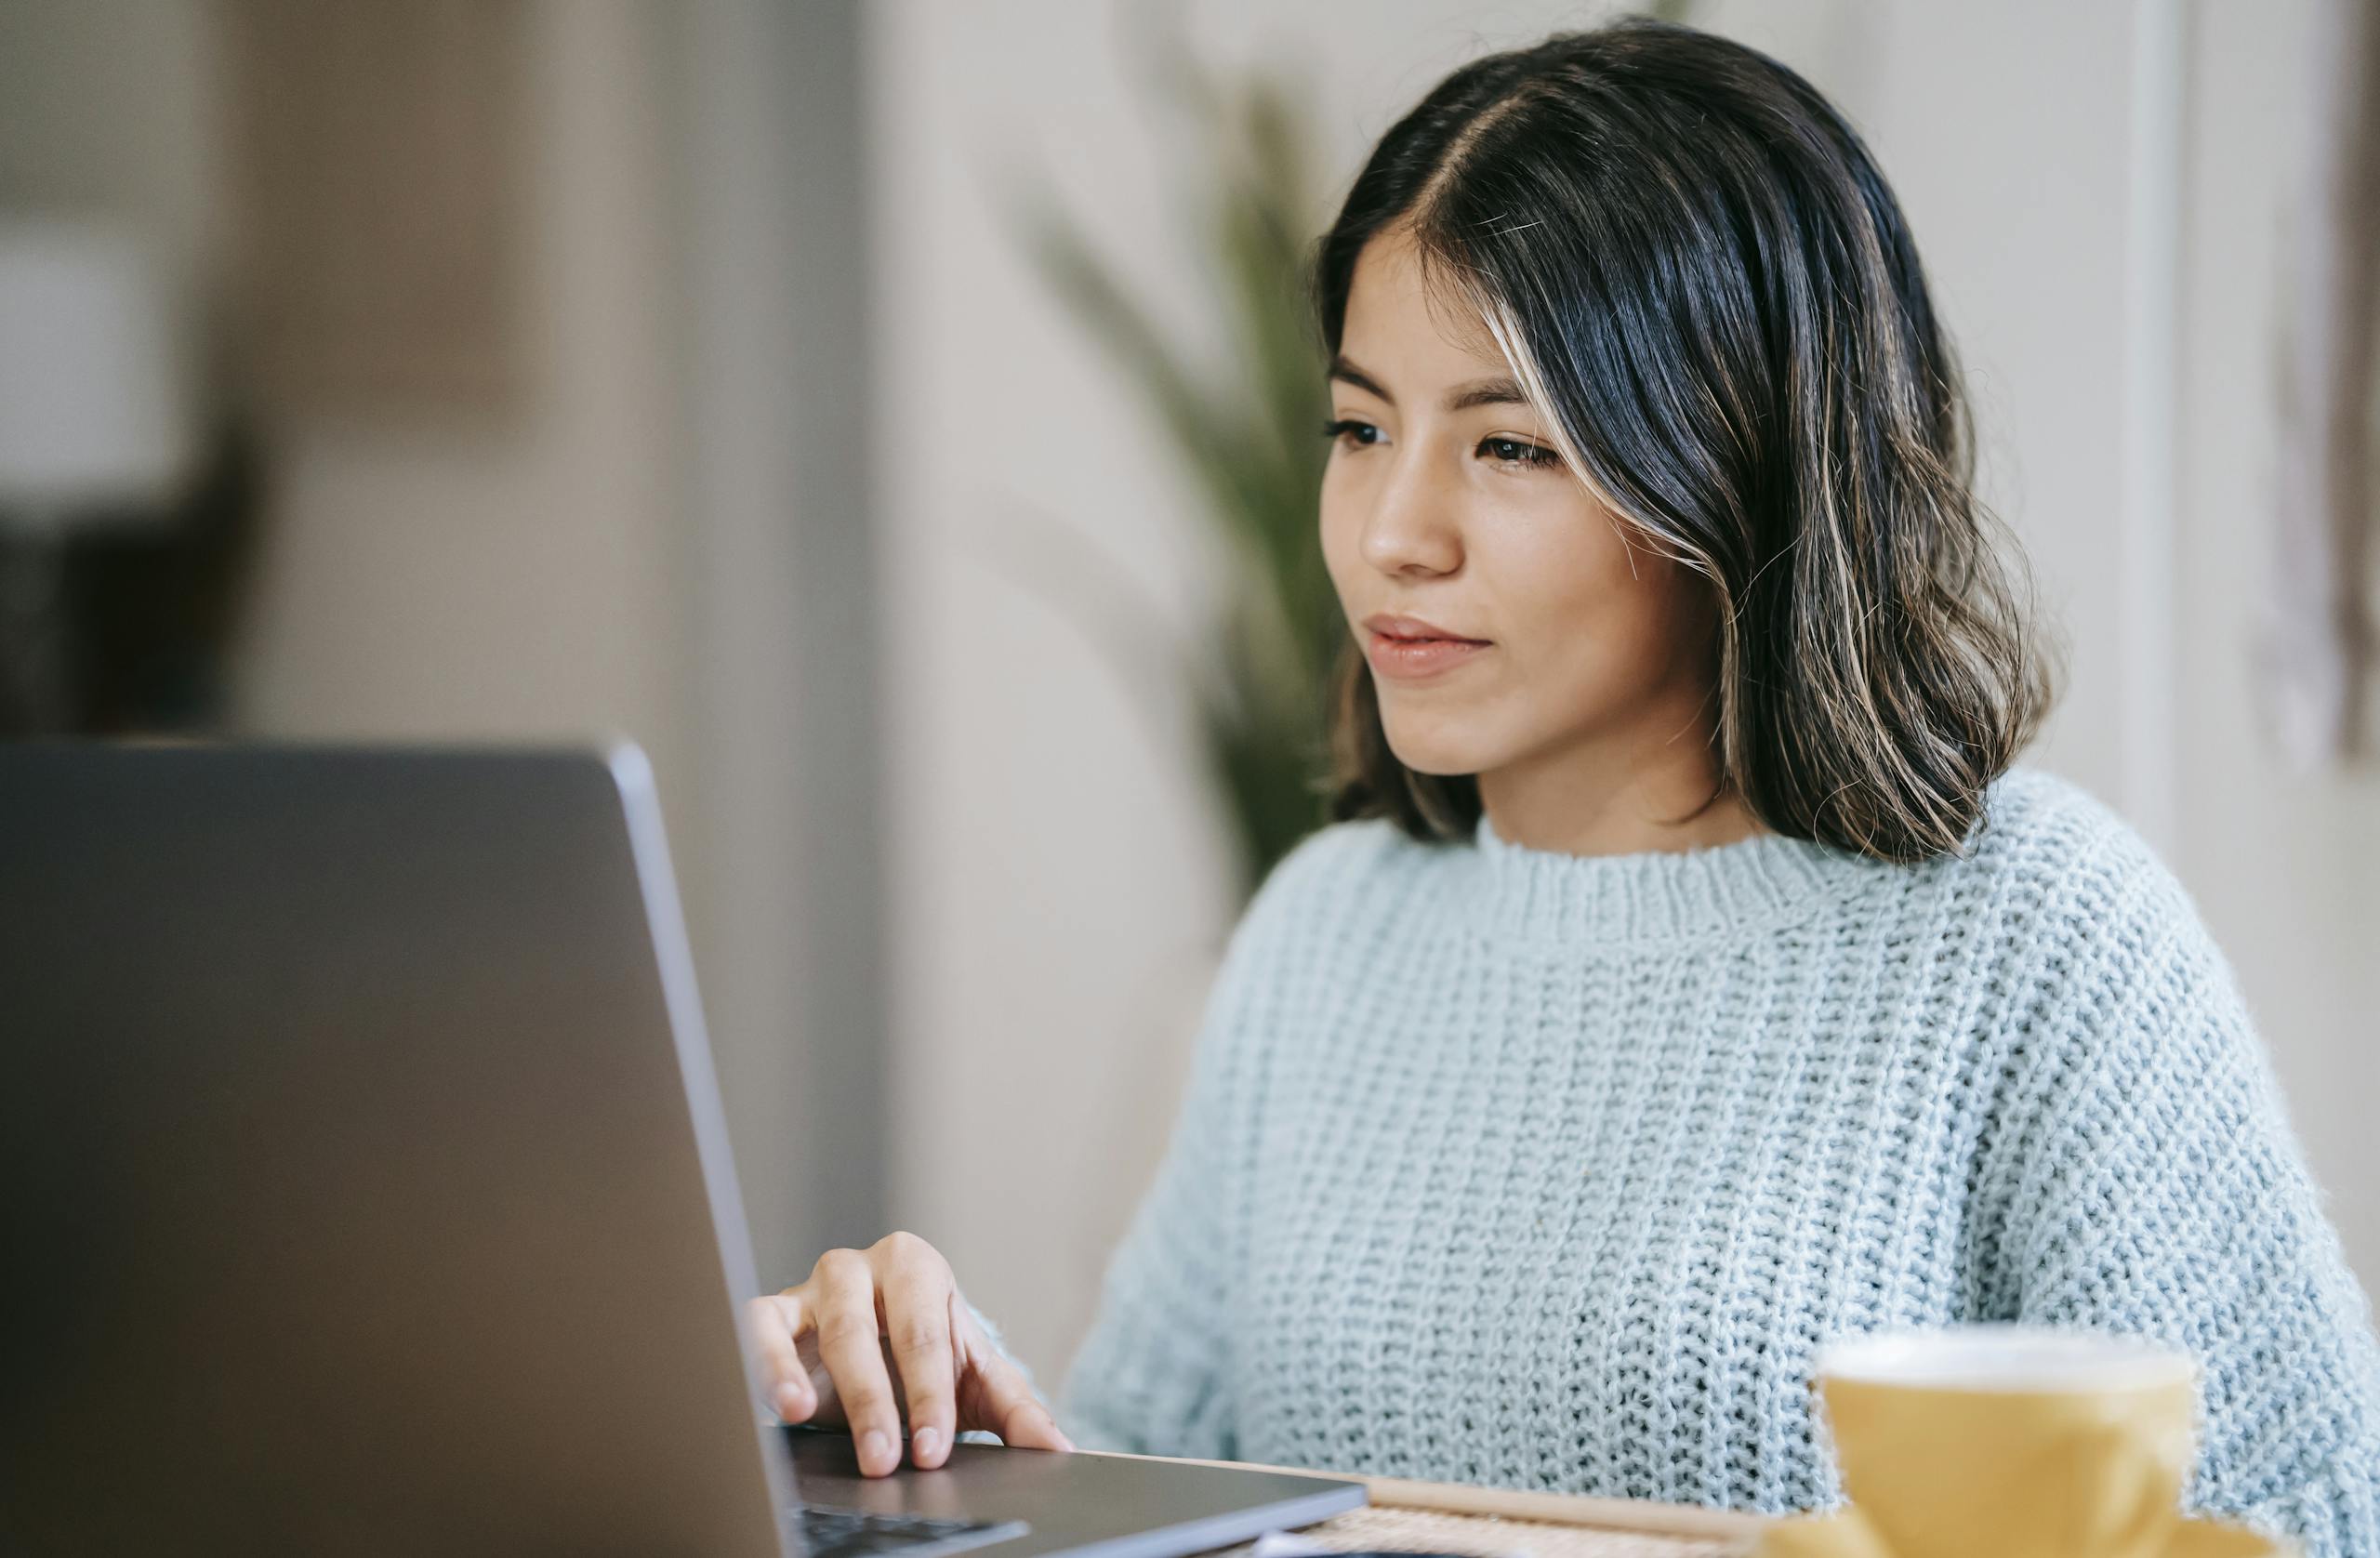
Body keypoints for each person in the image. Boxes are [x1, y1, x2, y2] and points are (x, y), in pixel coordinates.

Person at [746, 17, 2380, 1554]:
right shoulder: (1326, 935)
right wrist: (914, 1434)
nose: (1395, 532)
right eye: (1359, 426)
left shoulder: (2032, 936)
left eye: (1509, 445)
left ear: (1736, 466)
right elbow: (1148, 1477)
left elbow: (2318, 1517)